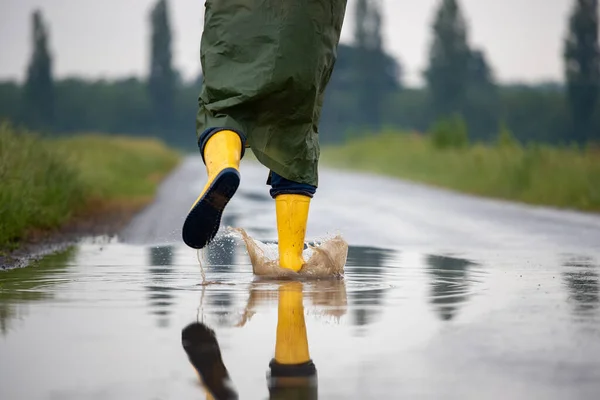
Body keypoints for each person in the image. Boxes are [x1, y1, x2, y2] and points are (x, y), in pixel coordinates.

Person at [182, 1, 348, 272]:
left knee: (223, 103)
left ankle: (223, 166)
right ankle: (292, 261)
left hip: (239, 12)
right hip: (309, 18)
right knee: (294, 125)